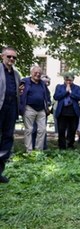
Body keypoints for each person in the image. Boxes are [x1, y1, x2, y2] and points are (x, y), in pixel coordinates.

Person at [0, 46, 22, 183]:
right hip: (0, 107)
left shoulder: (16, 74)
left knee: (7, 139)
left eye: (14, 57)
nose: (12, 59)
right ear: (2, 56)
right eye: (9, 56)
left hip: (11, 108)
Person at [19, 66, 51, 152]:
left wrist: (48, 103)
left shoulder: (43, 83)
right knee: (29, 130)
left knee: (42, 130)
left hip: (41, 109)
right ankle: (29, 151)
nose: (38, 74)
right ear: (31, 73)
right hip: (29, 108)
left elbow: (47, 95)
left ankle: (38, 151)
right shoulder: (24, 81)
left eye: (39, 73)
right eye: (35, 72)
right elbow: (18, 92)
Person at [54, 73, 80, 149]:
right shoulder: (59, 87)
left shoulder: (77, 88)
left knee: (72, 130)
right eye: (67, 80)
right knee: (61, 130)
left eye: (70, 80)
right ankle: (62, 146)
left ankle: (70, 145)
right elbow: (56, 97)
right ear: (64, 79)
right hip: (62, 112)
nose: (68, 82)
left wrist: (71, 92)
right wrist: (65, 92)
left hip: (73, 112)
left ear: (73, 80)